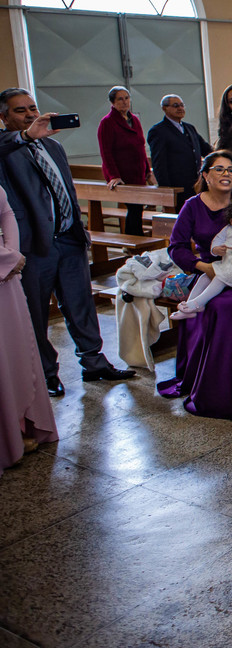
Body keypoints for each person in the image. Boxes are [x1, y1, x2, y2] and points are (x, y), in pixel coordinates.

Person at [0, 88, 134, 398]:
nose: (31, 114)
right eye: (20, 111)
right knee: (36, 312)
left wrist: (80, 227)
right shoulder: (7, 148)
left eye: (33, 107)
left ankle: (94, 362)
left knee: (81, 304)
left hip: (69, 239)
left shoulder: (54, 146)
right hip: (33, 244)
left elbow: (66, 189)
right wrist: (25, 137)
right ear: (4, 117)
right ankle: (46, 373)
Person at [159, 151, 232, 418]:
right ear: (206, 175)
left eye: (231, 170)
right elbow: (176, 247)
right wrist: (204, 267)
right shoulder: (192, 206)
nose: (226, 174)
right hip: (212, 268)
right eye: (219, 169)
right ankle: (212, 384)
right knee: (214, 302)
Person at [0, 184, 58, 473]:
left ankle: (21, 423)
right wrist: (5, 258)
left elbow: (6, 211)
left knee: (16, 348)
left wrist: (13, 254)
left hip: (7, 277)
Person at [97, 85, 155, 235]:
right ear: (113, 102)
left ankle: (136, 239)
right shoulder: (107, 122)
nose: (124, 102)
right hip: (122, 174)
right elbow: (106, 152)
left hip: (137, 172)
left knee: (138, 208)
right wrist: (114, 176)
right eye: (120, 99)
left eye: (127, 98)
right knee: (134, 208)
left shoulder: (134, 119)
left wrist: (147, 170)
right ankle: (133, 241)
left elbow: (140, 146)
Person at [147, 94, 211, 198]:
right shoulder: (158, 131)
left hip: (196, 185)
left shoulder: (190, 128)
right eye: (176, 106)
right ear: (164, 108)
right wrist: (166, 190)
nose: (180, 108)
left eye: (182, 105)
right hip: (177, 187)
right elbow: (159, 164)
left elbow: (206, 149)